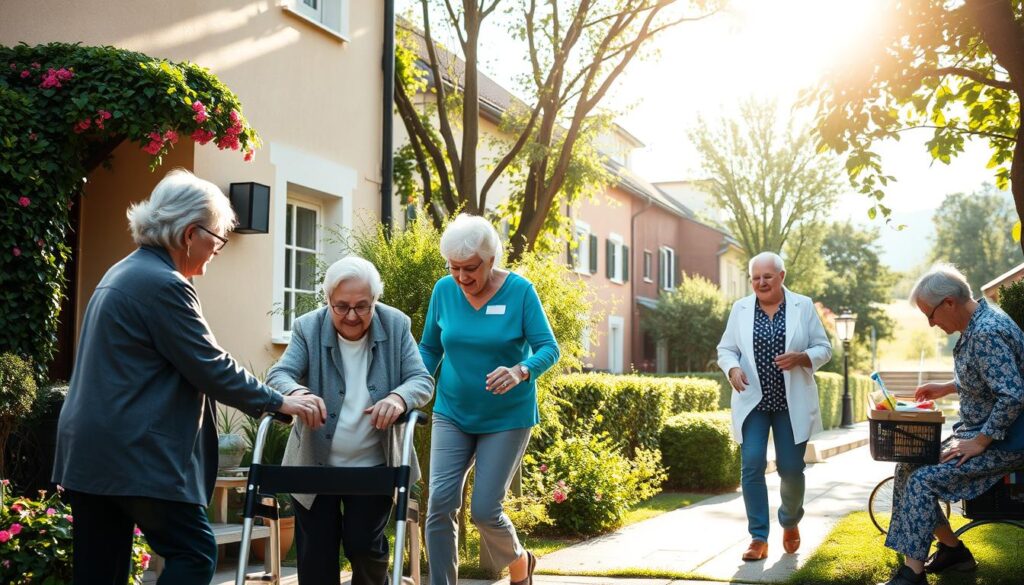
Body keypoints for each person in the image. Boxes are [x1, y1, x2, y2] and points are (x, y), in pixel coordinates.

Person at [52, 169, 326, 585]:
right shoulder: (164, 285)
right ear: (188, 234)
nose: (217, 250)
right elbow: (210, 365)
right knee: (195, 553)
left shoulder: (122, 272)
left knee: (100, 571)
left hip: (89, 450)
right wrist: (279, 401)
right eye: (216, 239)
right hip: (134, 453)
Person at [266, 256, 434, 585]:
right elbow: (279, 374)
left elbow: (421, 380)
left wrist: (397, 398)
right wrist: (298, 393)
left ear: (375, 300)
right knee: (316, 556)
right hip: (314, 465)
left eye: (362, 306)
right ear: (327, 300)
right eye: (341, 307)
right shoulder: (308, 327)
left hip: (373, 465)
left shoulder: (396, 325)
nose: (352, 316)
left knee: (363, 546)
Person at [420, 214, 560, 585]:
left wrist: (521, 370)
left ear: (491, 260)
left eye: (470, 268)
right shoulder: (444, 291)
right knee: (439, 505)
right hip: (452, 412)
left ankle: (519, 562)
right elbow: (430, 348)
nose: (461, 277)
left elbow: (549, 348)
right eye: (454, 268)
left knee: (484, 510)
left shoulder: (520, 291)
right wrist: (411, 384)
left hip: (506, 417)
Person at [879, 264, 1024, 585]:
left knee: (922, 480)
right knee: (907, 467)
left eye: (930, 315)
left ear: (949, 302)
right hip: (982, 434)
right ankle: (953, 551)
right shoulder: (981, 321)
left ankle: (912, 574)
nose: (931, 324)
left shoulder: (986, 333)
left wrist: (980, 442)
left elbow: (1013, 396)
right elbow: (989, 378)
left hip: (1005, 442)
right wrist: (946, 387)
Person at [716, 251, 832, 561]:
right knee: (752, 464)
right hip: (752, 402)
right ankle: (758, 537)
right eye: (755, 277)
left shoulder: (802, 306)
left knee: (791, 469)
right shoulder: (740, 309)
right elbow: (726, 349)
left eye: (767, 276)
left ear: (781, 276)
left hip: (790, 404)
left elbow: (824, 348)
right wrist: (732, 369)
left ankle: (790, 520)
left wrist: (802, 357)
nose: (761, 282)